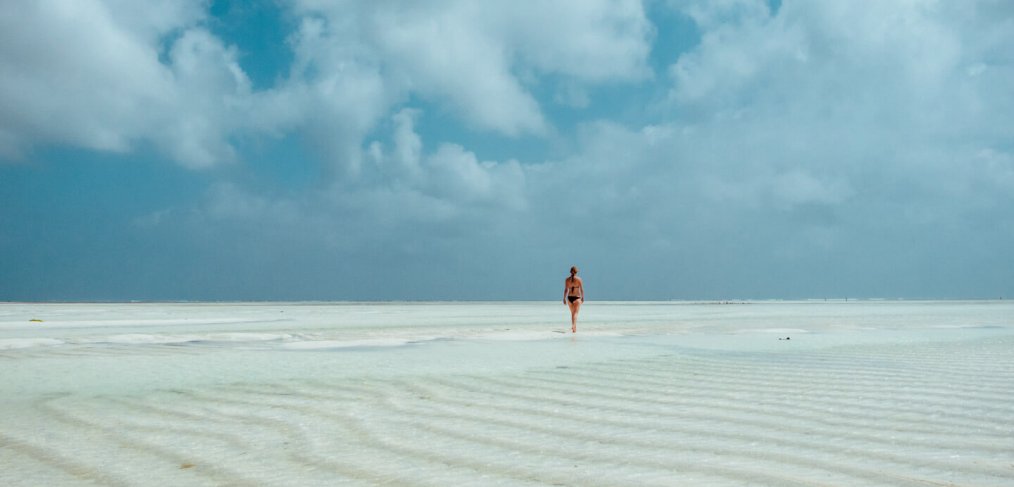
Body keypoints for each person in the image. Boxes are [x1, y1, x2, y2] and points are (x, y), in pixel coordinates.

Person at [563, 266, 584, 333]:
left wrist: (564, 298)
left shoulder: (567, 280)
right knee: (576, 313)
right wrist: (583, 297)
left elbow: (566, 290)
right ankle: (573, 325)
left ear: (570, 271)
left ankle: (574, 329)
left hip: (569, 298)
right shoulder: (579, 279)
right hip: (577, 298)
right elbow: (581, 289)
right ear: (576, 272)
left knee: (572, 313)